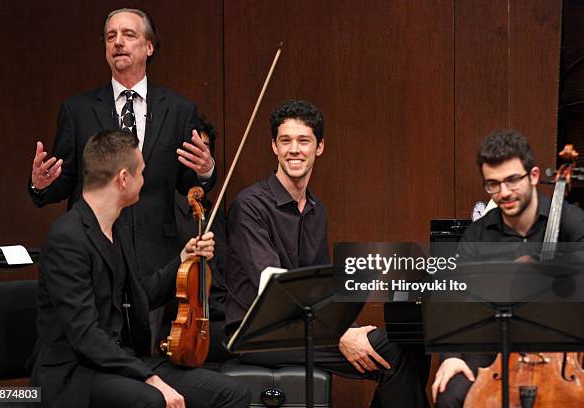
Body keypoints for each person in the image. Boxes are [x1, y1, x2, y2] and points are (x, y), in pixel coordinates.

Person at [225, 99, 429, 407]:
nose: (294, 149)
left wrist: (345, 325)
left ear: (319, 147)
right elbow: (273, 285)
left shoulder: (317, 210)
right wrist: (339, 335)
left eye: (303, 140)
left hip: (304, 327)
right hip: (258, 334)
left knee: (411, 343)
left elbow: (318, 288)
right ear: (274, 147)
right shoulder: (250, 205)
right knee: (391, 351)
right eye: (285, 141)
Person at [29, 130, 249, 408]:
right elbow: (84, 334)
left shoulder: (116, 229)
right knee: (151, 400)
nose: (144, 181)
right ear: (123, 178)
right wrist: (148, 377)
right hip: (74, 374)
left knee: (232, 393)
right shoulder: (67, 238)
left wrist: (184, 258)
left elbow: (141, 296)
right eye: (141, 172)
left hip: (121, 362)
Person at [27, 8, 216, 282]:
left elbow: (188, 183)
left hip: (156, 258)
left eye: (128, 35)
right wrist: (40, 185)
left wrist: (205, 170)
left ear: (149, 47)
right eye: (111, 36)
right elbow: (65, 181)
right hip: (95, 253)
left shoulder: (178, 109)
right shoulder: (77, 110)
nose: (118, 42)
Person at [431, 129, 584, 407]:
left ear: (534, 176)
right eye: (493, 184)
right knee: (449, 395)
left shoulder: (573, 222)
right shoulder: (478, 235)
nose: (504, 193)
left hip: (565, 348)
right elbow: (454, 297)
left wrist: (546, 265)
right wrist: (451, 355)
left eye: (512, 180)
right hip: (493, 347)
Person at [164, 115, 231, 363]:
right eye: (191, 149)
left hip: (218, 317)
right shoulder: (165, 214)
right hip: (184, 323)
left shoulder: (214, 216)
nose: (198, 156)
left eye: (204, 149)